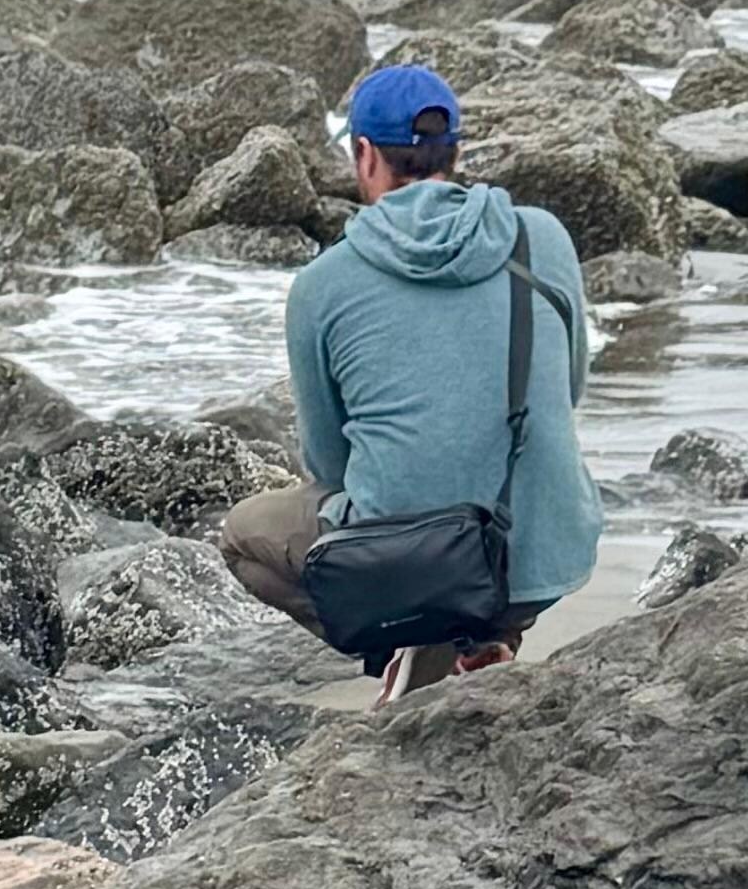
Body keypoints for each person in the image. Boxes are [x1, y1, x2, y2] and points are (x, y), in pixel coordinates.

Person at [218, 60, 601, 679]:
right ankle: (479, 644)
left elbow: (328, 462)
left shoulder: (323, 284)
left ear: (365, 155)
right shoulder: (543, 238)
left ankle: (411, 645)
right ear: (454, 151)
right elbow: (569, 388)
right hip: (541, 552)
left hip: (415, 563)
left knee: (244, 537)